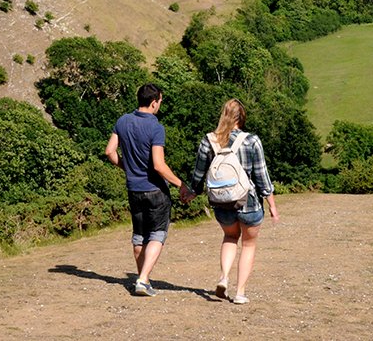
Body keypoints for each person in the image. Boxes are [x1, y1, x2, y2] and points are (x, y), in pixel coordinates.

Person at [105, 83, 193, 297]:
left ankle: (142, 279)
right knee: (157, 234)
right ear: (154, 102)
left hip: (133, 189)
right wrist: (181, 184)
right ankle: (143, 280)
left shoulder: (122, 121)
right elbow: (158, 165)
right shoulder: (156, 127)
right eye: (160, 102)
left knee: (139, 236)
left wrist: (128, 167)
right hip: (155, 190)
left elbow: (109, 151)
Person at [190, 99, 279, 305]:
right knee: (248, 245)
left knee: (230, 238)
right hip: (249, 203)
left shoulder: (209, 140)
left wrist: (192, 192)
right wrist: (272, 205)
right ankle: (239, 293)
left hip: (222, 203)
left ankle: (224, 277)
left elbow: (199, 173)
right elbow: (262, 177)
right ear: (242, 117)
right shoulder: (252, 141)